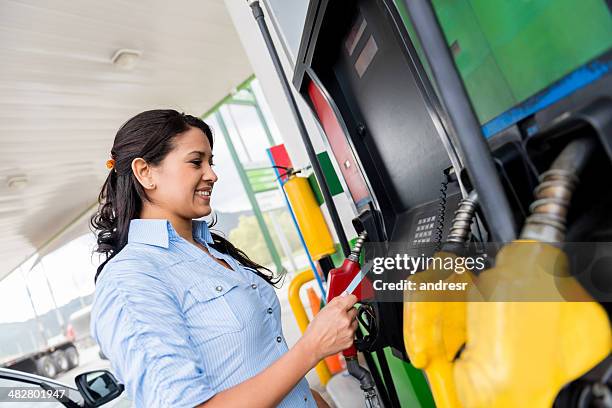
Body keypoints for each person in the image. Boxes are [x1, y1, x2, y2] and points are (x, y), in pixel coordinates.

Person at [90, 109, 358, 408]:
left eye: (211, 162)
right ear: (145, 172)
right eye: (196, 162)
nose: (212, 175)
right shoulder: (131, 280)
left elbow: (261, 367)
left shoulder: (211, 252)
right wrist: (312, 348)